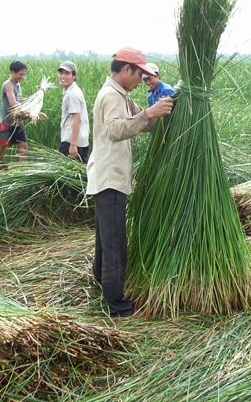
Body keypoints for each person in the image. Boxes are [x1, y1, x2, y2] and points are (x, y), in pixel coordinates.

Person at [86, 47, 173, 317]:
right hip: (110, 179)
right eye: (139, 75)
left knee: (105, 238)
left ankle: (100, 278)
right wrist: (149, 114)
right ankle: (115, 303)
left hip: (109, 177)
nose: (141, 81)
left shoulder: (122, 95)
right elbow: (115, 129)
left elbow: (142, 122)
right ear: (126, 70)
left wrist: (162, 111)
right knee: (115, 243)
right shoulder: (112, 96)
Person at [0, 60, 28, 166]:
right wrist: (28, 111)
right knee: (0, 149)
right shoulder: (8, 85)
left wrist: (30, 100)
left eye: (24, 74)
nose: (22, 77)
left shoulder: (17, 84)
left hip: (18, 123)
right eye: (20, 74)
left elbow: (18, 99)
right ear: (13, 72)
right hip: (6, 123)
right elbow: (13, 103)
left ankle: (22, 173)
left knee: (23, 147)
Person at [57, 60, 90, 163]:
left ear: (74, 76)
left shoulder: (72, 94)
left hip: (71, 142)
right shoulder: (70, 91)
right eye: (61, 73)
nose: (63, 76)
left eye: (67, 73)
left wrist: (73, 145)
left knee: (65, 176)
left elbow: (77, 119)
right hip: (77, 141)